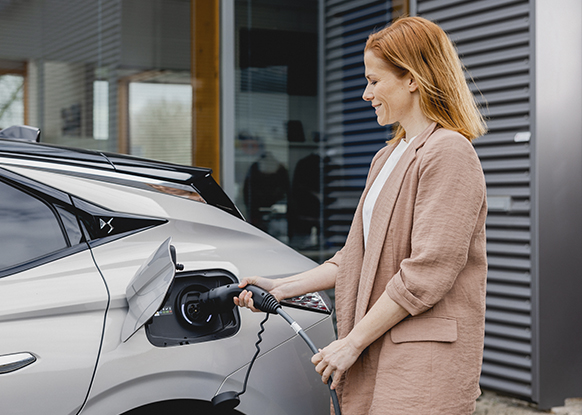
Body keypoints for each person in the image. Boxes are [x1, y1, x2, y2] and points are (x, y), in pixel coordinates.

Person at [235, 16, 488, 415]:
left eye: (374, 80)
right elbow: (355, 255)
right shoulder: (386, 157)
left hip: (421, 359)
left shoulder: (450, 152)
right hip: (378, 344)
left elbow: (426, 275)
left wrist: (351, 342)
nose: (366, 94)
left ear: (413, 79)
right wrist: (281, 287)